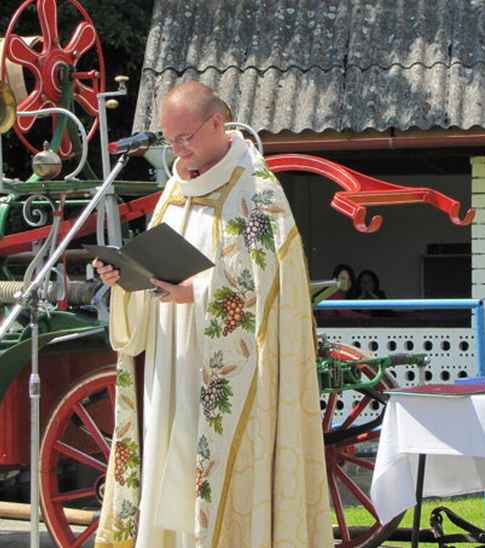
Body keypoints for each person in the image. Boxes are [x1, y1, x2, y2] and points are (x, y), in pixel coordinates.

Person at [93, 81, 333, 547]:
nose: (178, 150)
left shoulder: (258, 193)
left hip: (227, 370)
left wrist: (195, 295)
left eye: (185, 137)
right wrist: (126, 281)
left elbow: (269, 295)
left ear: (218, 124)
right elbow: (155, 264)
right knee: (168, 469)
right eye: (169, 139)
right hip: (170, 361)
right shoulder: (175, 192)